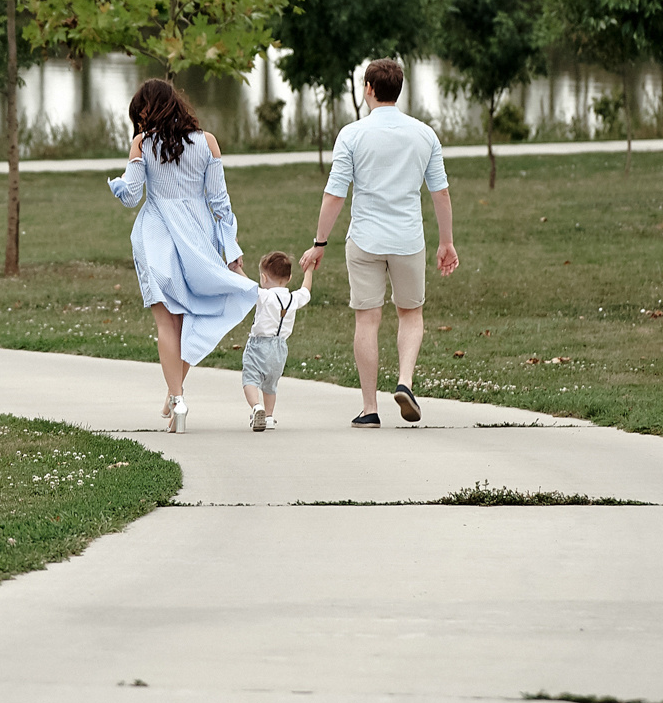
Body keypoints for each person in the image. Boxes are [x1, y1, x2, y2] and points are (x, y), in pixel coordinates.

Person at [298, 59, 459, 428]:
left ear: (369, 88)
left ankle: (369, 408)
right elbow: (441, 193)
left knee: (367, 319)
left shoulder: (352, 135)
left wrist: (320, 242)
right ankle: (404, 381)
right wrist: (446, 242)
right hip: (407, 239)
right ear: (397, 90)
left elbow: (334, 195)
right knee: (410, 313)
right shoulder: (424, 134)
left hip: (365, 239)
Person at [111, 78, 260, 433]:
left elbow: (131, 196)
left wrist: (119, 180)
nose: (141, 121)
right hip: (197, 236)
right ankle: (175, 391)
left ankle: (176, 398)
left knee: (167, 323)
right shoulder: (207, 142)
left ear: (149, 109)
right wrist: (231, 250)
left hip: (157, 234)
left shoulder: (142, 144)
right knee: (190, 317)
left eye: (141, 113)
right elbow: (220, 204)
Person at [241, 249, 314, 431]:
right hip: (280, 348)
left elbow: (246, 285)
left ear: (264, 278)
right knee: (270, 384)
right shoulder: (293, 298)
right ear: (289, 278)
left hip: (259, 345)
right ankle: (269, 417)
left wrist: (236, 269)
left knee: (250, 379)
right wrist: (309, 271)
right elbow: (306, 290)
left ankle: (256, 407)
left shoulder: (265, 296)